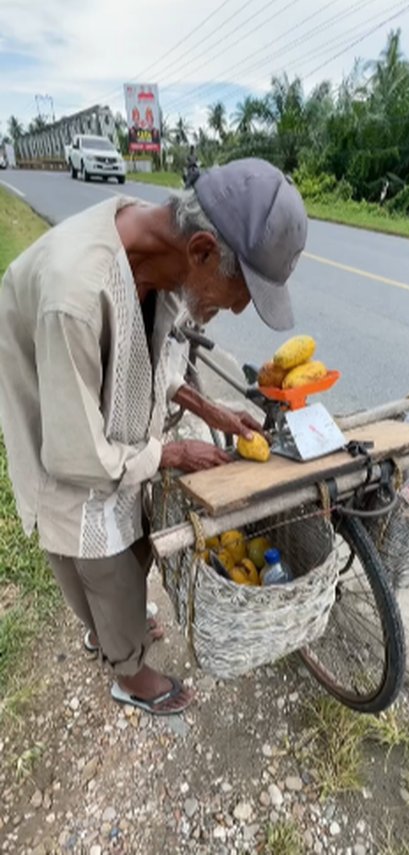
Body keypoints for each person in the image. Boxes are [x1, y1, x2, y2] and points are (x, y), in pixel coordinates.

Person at [0, 158, 307, 716]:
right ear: (203, 251)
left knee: (133, 540)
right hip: (63, 430)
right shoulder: (76, 297)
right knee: (100, 554)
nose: (233, 309)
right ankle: (128, 672)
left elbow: (151, 360)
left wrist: (207, 407)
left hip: (95, 418)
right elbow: (74, 450)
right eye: (236, 295)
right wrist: (169, 451)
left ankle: (114, 629)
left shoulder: (160, 263)